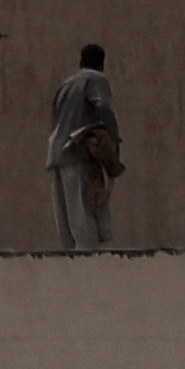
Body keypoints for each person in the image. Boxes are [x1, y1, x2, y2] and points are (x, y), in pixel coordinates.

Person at [46, 45, 124, 250]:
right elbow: (103, 108)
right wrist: (114, 138)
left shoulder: (65, 86)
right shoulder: (96, 80)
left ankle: (70, 263)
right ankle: (87, 264)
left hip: (56, 154)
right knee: (83, 212)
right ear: (101, 64)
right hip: (78, 153)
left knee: (65, 217)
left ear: (80, 62)